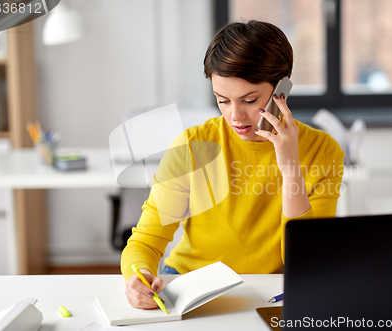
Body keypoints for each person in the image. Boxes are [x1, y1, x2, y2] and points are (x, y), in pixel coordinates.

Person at [121, 20, 345, 309]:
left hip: (272, 291)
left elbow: (307, 261)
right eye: (222, 100)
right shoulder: (193, 145)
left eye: (249, 100)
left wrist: (290, 168)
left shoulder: (322, 151)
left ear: (282, 90)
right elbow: (147, 240)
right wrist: (138, 276)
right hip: (190, 283)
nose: (235, 116)